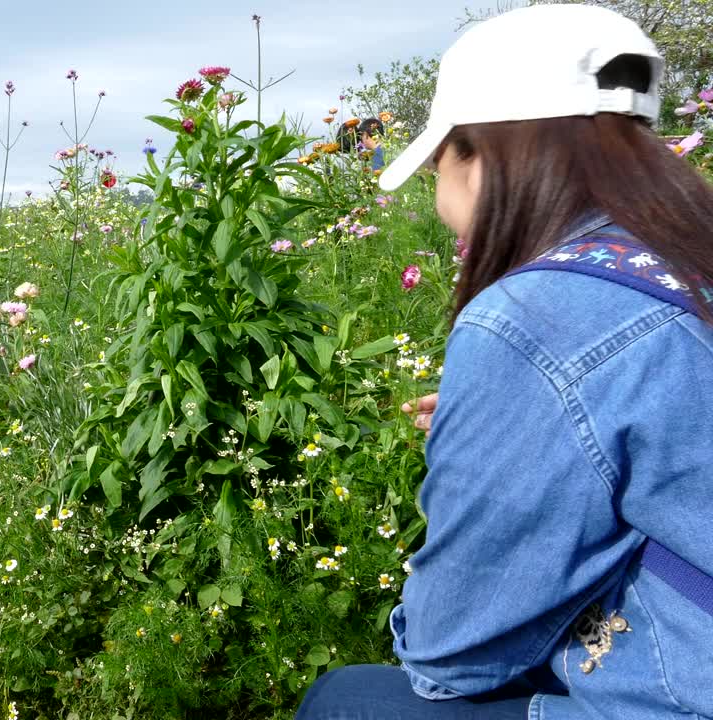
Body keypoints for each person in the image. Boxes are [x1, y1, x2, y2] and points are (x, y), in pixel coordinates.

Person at [298, 5, 713, 720]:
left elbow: (450, 653)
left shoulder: (535, 318)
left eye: (438, 161)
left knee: (346, 700)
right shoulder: (686, 256)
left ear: (481, 155)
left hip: (679, 690)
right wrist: (521, 428)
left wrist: (496, 441)